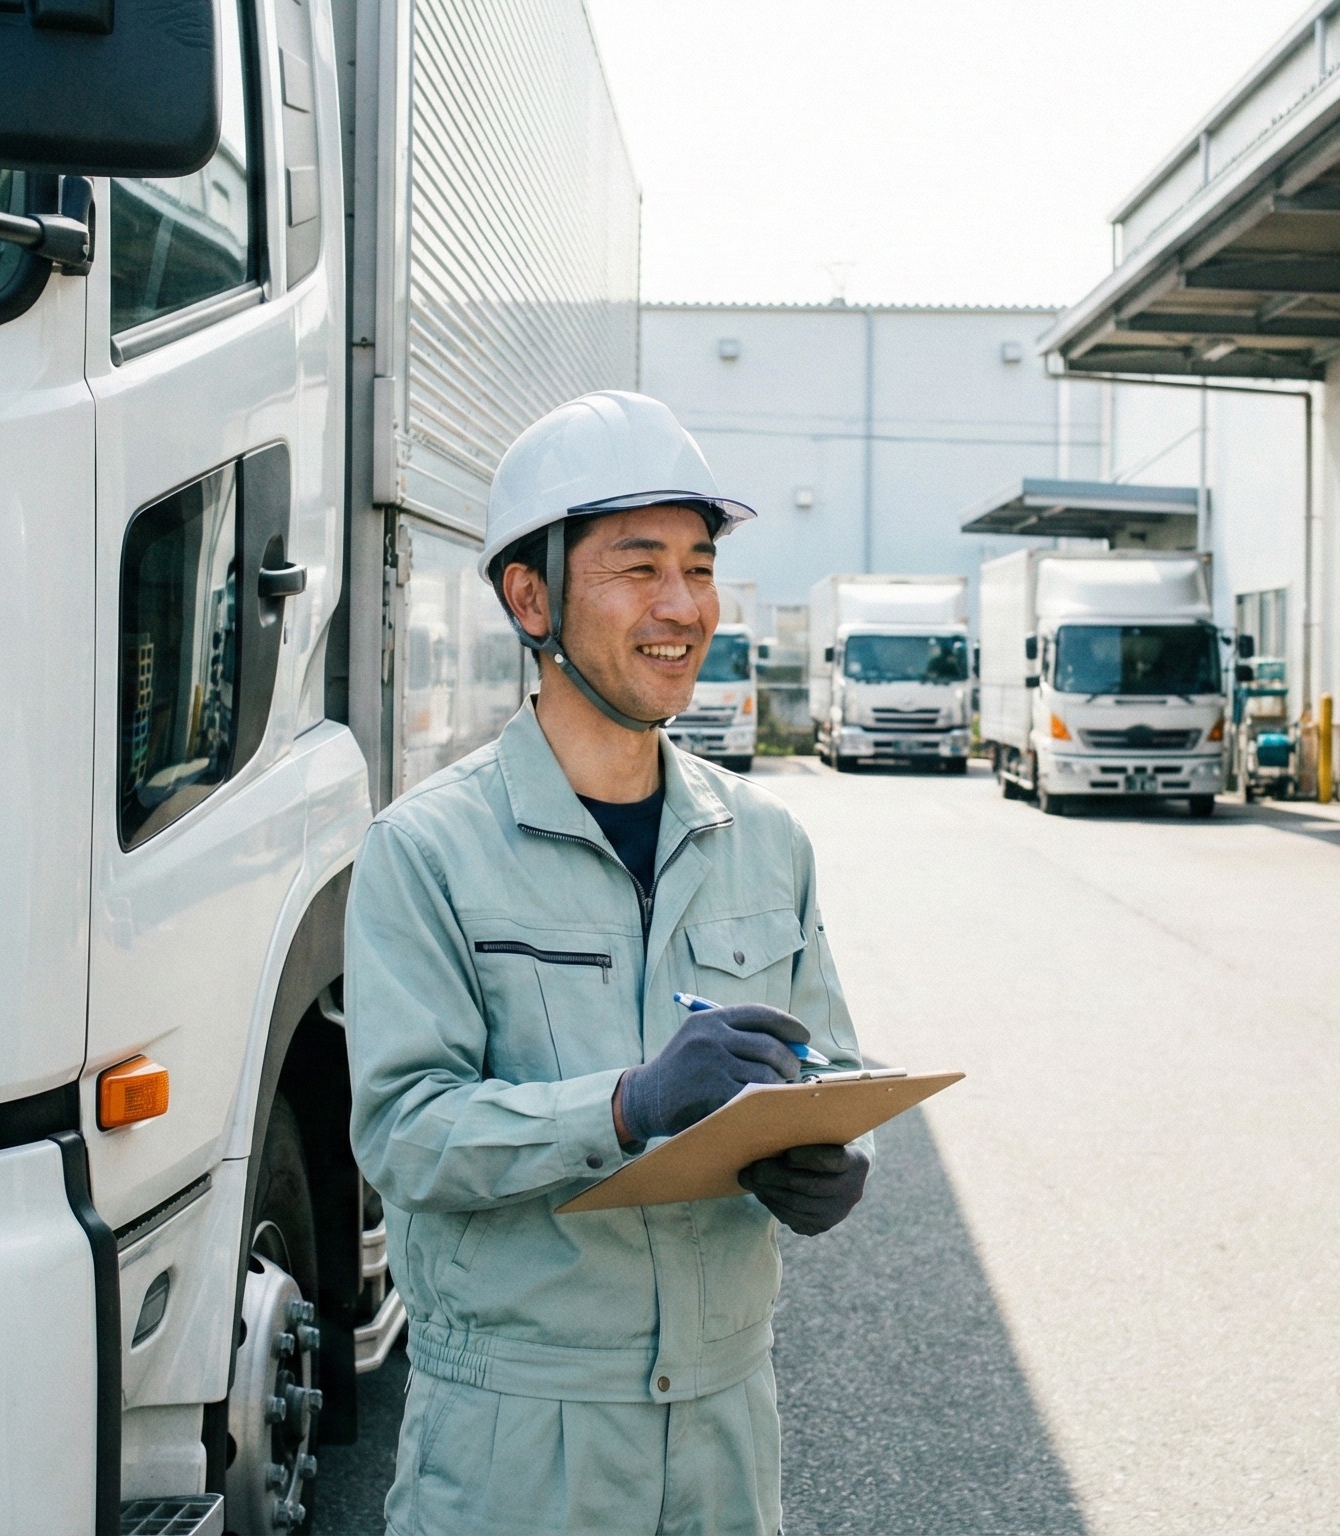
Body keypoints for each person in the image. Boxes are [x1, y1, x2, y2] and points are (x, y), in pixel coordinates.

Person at [345, 390, 871, 1536]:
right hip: (518, 1449)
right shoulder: (425, 851)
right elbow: (404, 1133)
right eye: (637, 568)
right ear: (527, 598)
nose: (681, 607)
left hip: (725, 1435)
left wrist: (834, 1153)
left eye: (696, 565)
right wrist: (625, 1108)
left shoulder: (763, 839)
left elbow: (831, 1062)